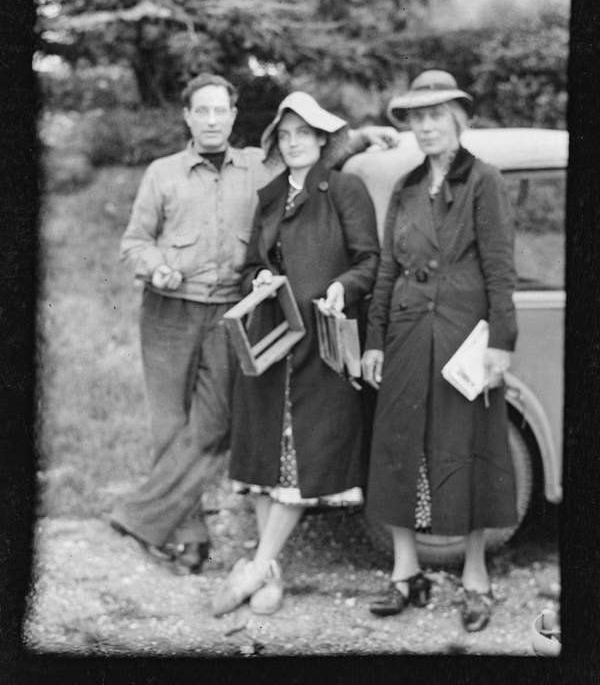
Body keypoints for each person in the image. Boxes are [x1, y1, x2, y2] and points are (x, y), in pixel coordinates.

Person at [109, 74, 399, 575]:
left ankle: (140, 518)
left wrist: (366, 136)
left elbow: (314, 154)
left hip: (230, 312)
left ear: (234, 115)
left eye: (221, 111)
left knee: (213, 424)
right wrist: (155, 265)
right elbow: (135, 241)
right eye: (202, 111)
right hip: (168, 310)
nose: (212, 120)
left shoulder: (255, 165)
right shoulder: (163, 173)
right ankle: (190, 535)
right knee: (169, 426)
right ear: (188, 116)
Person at [210, 92, 380, 616]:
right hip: (271, 341)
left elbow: (369, 261)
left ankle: (257, 566)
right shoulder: (269, 195)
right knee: (266, 457)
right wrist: (257, 276)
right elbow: (247, 267)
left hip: (320, 344)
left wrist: (342, 289)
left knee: (304, 452)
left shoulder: (345, 189)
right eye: (284, 136)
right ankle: (270, 569)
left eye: (303, 134)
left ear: (323, 139)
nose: (293, 143)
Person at [361, 70, 518, 632]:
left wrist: (501, 342)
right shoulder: (403, 188)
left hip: (462, 337)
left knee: (468, 451)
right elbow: (385, 268)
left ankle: (475, 575)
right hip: (405, 336)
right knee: (399, 448)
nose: (425, 126)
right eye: (416, 117)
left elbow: (500, 269)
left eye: (436, 115)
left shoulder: (485, 182)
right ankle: (407, 572)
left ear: (459, 119)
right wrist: (374, 340)